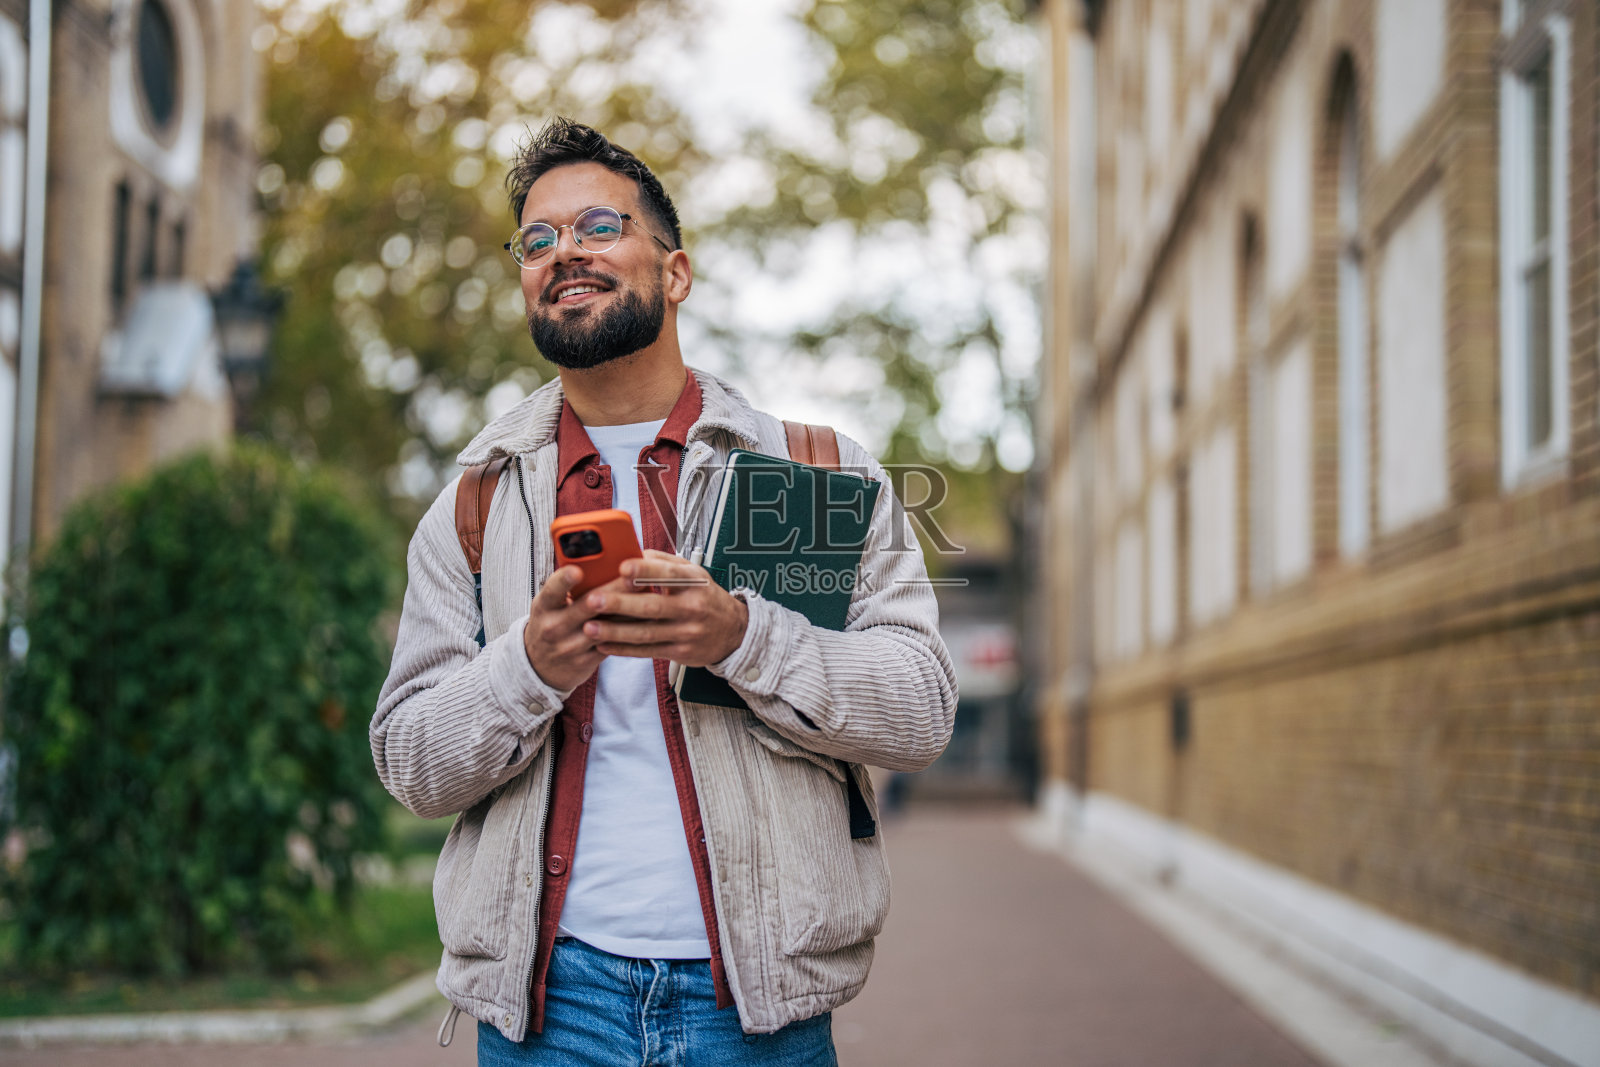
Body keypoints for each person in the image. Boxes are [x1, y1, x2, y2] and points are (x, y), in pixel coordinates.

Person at [371, 117, 957, 1067]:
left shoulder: (808, 475)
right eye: (537, 238)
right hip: (550, 1012)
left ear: (674, 273)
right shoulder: (475, 503)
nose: (564, 252)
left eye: (598, 226)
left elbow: (921, 712)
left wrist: (740, 635)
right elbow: (410, 761)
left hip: (760, 1011)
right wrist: (527, 666)